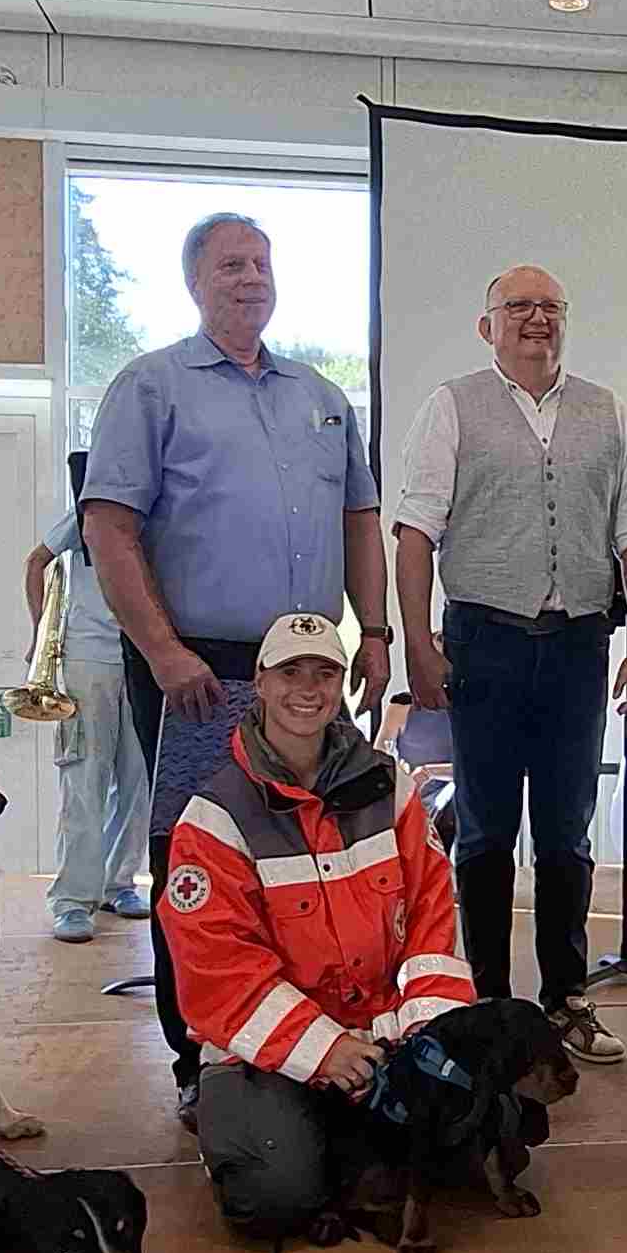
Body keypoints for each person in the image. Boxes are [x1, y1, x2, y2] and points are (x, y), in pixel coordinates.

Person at [81, 212, 390, 1123]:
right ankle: (201, 1057)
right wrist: (163, 653)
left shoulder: (322, 397)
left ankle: (305, 1037)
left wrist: (376, 633)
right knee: (200, 864)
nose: (250, 278)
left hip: (310, 666)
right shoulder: (150, 387)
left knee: (313, 859)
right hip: (201, 672)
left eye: (261, 263)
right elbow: (109, 527)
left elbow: (360, 522)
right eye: (230, 266)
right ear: (194, 282)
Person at [393, 264, 627, 1065]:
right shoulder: (452, 406)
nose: (536, 318)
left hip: (578, 643)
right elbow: (416, 531)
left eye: (550, 306)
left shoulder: (608, 411)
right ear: (488, 325)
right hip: (484, 640)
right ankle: (488, 1001)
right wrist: (417, 642)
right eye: (518, 306)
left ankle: (566, 999)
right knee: (485, 828)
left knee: (567, 830)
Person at [160, 612, 478, 1235]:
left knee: (481, 1132)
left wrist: (426, 1036)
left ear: (340, 684)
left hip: (383, 1031)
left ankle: (341, 1138)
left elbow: (432, 921)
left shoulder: (391, 790)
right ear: (259, 682)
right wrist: (325, 1050)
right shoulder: (213, 820)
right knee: (273, 1196)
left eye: (324, 673)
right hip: (264, 1051)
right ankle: (281, 1132)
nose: (307, 688)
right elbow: (218, 974)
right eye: (290, 672)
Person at [25, 501, 151, 943]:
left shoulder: (164, 512)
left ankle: (120, 883)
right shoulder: (87, 511)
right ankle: (73, 901)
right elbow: (36, 561)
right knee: (84, 778)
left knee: (139, 780)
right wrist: (40, 631)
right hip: (87, 655)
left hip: (146, 656)